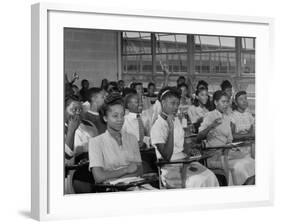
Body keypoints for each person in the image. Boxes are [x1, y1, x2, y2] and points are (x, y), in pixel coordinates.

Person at [150, 88, 219, 189]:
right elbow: (167, 156)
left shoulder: (177, 120)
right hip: (170, 166)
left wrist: (191, 150)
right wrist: (171, 129)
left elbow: (183, 148)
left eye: (177, 104)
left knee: (210, 176)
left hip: (184, 161)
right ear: (163, 103)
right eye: (172, 103)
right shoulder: (157, 126)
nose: (176, 107)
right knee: (197, 181)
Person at [197, 90, 255, 185]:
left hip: (227, 153)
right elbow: (199, 137)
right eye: (223, 102)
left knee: (251, 161)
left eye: (227, 102)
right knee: (240, 166)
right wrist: (211, 126)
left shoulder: (227, 118)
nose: (226, 104)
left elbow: (230, 140)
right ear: (216, 102)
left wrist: (234, 147)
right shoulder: (209, 116)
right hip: (214, 156)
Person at [88, 93, 144, 185]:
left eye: (122, 115)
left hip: (135, 185)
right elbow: (98, 177)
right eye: (115, 116)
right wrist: (126, 170)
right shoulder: (96, 142)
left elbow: (140, 170)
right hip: (112, 189)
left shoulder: (132, 138)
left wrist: (115, 176)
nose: (120, 119)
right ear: (105, 118)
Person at [64, 98, 98, 193]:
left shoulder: (89, 125)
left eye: (80, 110)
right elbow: (67, 157)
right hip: (71, 174)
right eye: (74, 110)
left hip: (93, 167)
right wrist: (71, 130)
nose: (78, 113)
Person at [230, 91, 255, 158]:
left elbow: (252, 131)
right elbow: (232, 136)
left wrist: (244, 134)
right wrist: (248, 135)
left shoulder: (249, 115)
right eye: (241, 99)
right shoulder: (233, 116)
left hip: (250, 145)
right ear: (235, 102)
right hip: (238, 148)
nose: (244, 101)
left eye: (245, 98)